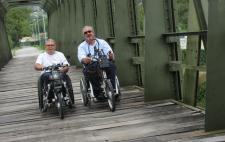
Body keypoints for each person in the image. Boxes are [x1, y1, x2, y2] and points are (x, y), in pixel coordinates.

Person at [77, 26, 116, 100]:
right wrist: (86, 59)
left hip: (102, 61)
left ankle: (112, 89)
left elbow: (110, 54)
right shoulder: (81, 46)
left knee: (111, 66)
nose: (88, 33)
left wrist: (111, 55)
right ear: (84, 35)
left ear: (93, 32)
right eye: (86, 32)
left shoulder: (102, 42)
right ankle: (97, 92)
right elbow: (82, 58)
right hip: (91, 63)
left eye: (89, 31)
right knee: (91, 69)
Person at [34, 39, 74, 105]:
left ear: (55, 46)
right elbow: (36, 65)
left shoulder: (60, 54)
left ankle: (65, 95)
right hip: (47, 72)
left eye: (52, 45)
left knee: (64, 76)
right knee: (46, 76)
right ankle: (48, 95)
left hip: (59, 72)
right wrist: (42, 67)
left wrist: (63, 69)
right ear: (45, 46)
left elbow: (66, 65)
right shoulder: (42, 55)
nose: (50, 47)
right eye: (48, 45)